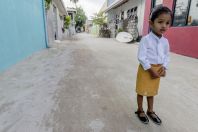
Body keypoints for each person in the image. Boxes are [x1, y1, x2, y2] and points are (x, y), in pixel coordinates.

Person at [135, 5, 172, 125]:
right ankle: (140, 110)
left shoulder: (165, 42)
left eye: (167, 23)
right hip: (146, 69)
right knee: (141, 91)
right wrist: (150, 69)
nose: (164, 26)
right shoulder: (146, 40)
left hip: (158, 69)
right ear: (151, 23)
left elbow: (167, 55)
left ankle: (150, 111)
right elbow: (141, 56)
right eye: (160, 22)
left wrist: (164, 67)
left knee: (151, 92)